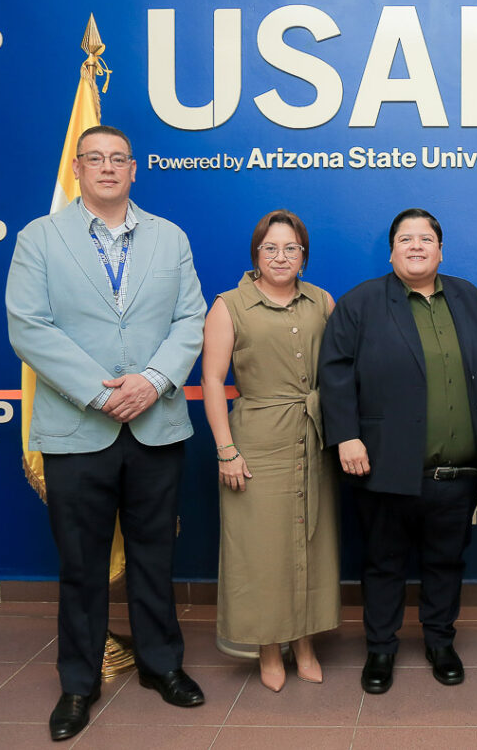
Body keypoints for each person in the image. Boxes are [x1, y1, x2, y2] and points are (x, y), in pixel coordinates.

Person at [5, 125, 207, 741]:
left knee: (155, 555)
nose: (108, 168)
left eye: (119, 159)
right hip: (75, 427)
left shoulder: (169, 238)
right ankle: (78, 682)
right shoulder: (39, 238)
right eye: (95, 159)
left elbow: (190, 317)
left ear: (134, 169)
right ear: (79, 167)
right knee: (81, 564)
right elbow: (29, 326)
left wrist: (151, 381)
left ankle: (162, 665)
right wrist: (101, 391)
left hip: (156, 423)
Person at [318, 208, 477, 694]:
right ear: (391, 249)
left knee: (447, 562)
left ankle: (441, 642)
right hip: (384, 467)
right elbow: (333, 373)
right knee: (383, 563)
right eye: (405, 239)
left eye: (425, 239)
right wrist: (346, 435)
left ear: (441, 248)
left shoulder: (472, 301)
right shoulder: (361, 303)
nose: (416, 246)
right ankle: (380, 649)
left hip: (458, 472)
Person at [200, 210, 340, 693]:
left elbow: (339, 372)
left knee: (310, 541)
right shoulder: (228, 305)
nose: (281, 257)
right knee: (261, 551)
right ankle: (267, 648)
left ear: (304, 256)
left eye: (292, 249)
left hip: (313, 437)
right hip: (256, 440)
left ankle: (304, 643)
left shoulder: (322, 301)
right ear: (256, 254)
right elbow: (213, 382)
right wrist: (226, 450)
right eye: (271, 248)